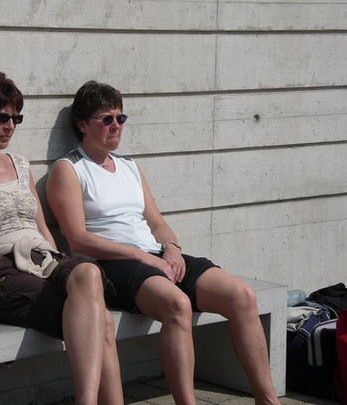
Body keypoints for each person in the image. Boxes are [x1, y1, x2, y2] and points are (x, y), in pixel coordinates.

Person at [46, 80, 282, 405]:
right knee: (177, 305)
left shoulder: (129, 166)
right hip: (114, 265)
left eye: (120, 118)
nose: (116, 126)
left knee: (242, 296)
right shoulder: (69, 169)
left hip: (155, 255)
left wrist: (171, 248)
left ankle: (268, 401)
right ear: (83, 125)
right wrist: (141, 257)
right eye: (106, 119)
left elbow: (156, 222)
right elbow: (78, 238)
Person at [0, 69, 124, 405]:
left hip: (41, 259)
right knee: (102, 320)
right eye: (1, 117)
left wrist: (59, 266)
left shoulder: (20, 164)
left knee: (88, 273)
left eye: (15, 118)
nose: (10, 126)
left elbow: (41, 227)